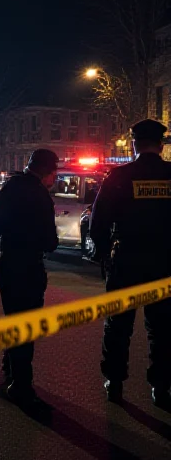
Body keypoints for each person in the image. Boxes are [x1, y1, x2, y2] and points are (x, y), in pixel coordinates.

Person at [90, 119, 171, 409]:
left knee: (118, 324)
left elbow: (99, 221)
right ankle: (161, 386)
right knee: (162, 328)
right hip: (164, 263)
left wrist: (101, 252)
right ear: (161, 146)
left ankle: (115, 383)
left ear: (135, 144)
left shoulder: (119, 176)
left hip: (127, 261)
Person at [0, 148, 59, 407]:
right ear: (47, 171)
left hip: (7, 261)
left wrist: (1, 242)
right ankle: (21, 384)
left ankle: (10, 368)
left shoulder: (11, 186)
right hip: (29, 264)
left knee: (13, 316)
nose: (54, 179)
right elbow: (50, 240)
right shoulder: (40, 195)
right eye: (54, 173)